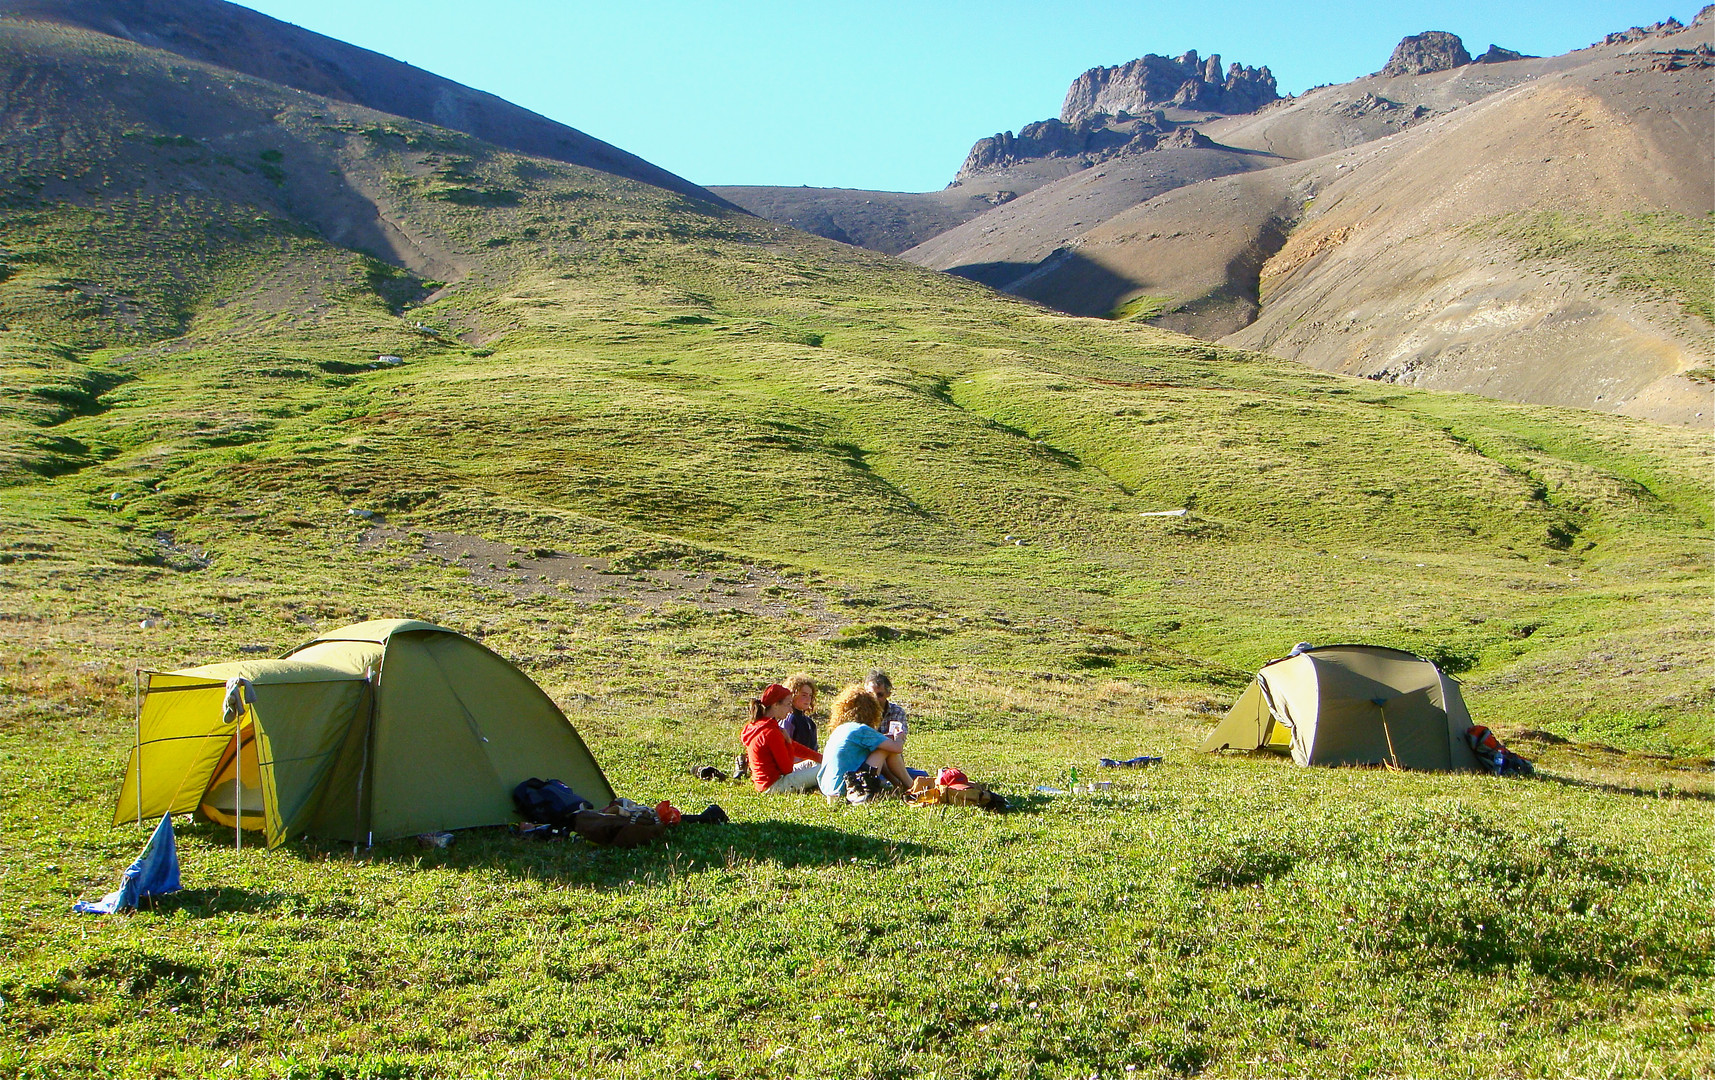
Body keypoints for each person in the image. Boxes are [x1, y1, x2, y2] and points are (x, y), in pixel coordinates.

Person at [818, 685, 912, 803]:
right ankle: (911, 785)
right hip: (847, 788)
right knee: (885, 750)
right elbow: (897, 748)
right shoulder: (862, 730)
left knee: (881, 747)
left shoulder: (841, 729)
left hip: (827, 787)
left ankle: (898, 786)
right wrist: (899, 737)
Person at [741, 683, 822, 793]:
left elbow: (795, 747)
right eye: (788, 704)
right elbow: (787, 769)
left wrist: (821, 758)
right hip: (775, 785)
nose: (790, 709)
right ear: (775, 705)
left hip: (766, 783)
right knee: (825, 769)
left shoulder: (761, 725)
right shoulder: (770, 732)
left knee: (815, 763)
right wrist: (788, 743)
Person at [866, 670, 908, 746]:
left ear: (888, 694)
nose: (875, 698)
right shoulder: (860, 711)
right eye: (870, 694)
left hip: (889, 753)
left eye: (880, 695)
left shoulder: (897, 712)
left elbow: (900, 739)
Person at [780, 673, 819, 752]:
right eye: (804, 695)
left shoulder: (810, 722)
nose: (808, 699)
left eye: (810, 695)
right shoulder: (789, 719)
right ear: (793, 695)